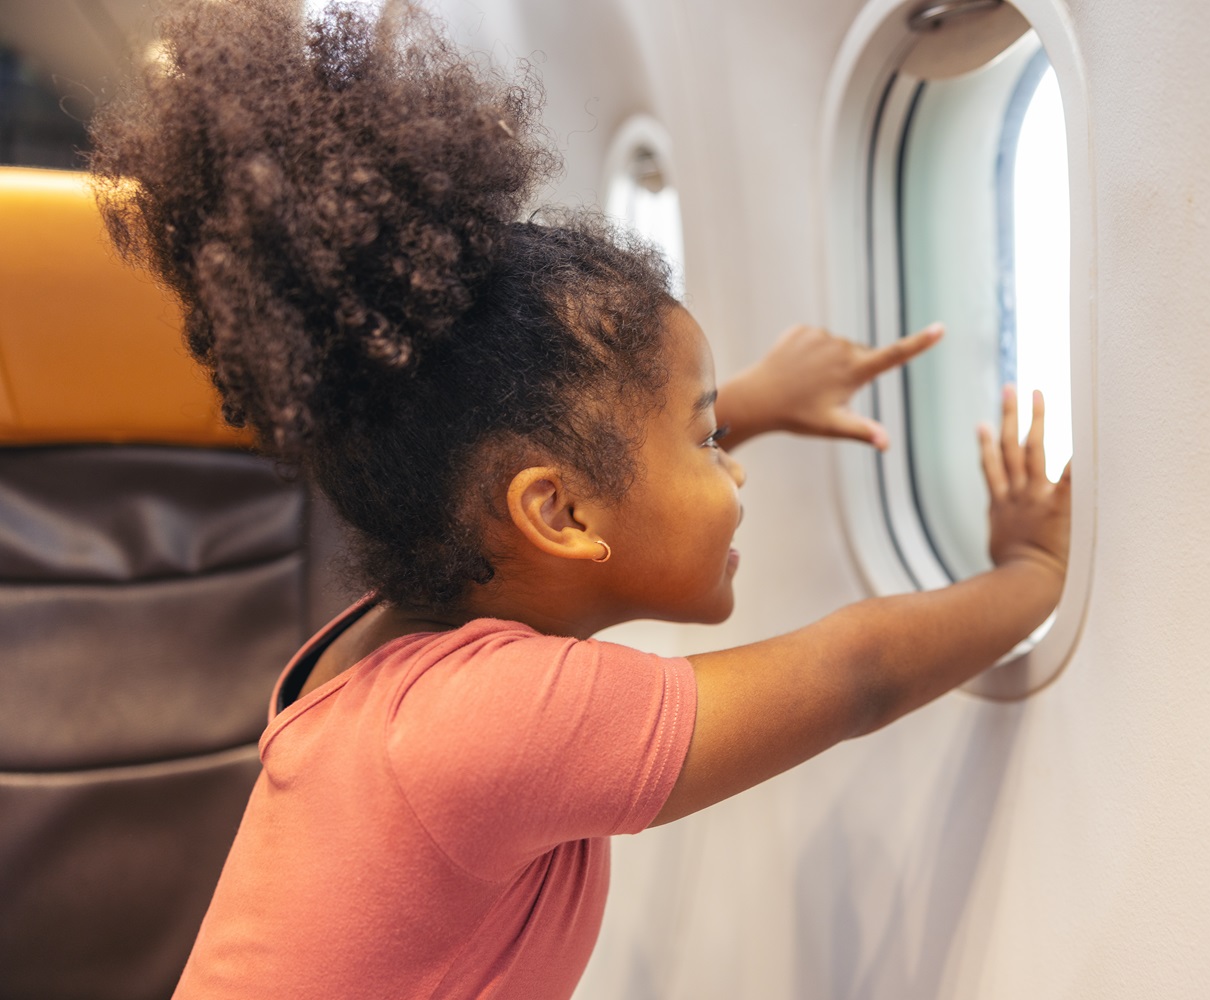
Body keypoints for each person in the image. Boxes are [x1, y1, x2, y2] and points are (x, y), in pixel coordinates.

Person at [88, 1, 1071, 996]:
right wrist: (1034, 573)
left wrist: (746, 403)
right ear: (557, 515)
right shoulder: (494, 720)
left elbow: (574, 470)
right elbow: (857, 675)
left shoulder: (395, 645)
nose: (728, 467)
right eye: (705, 437)